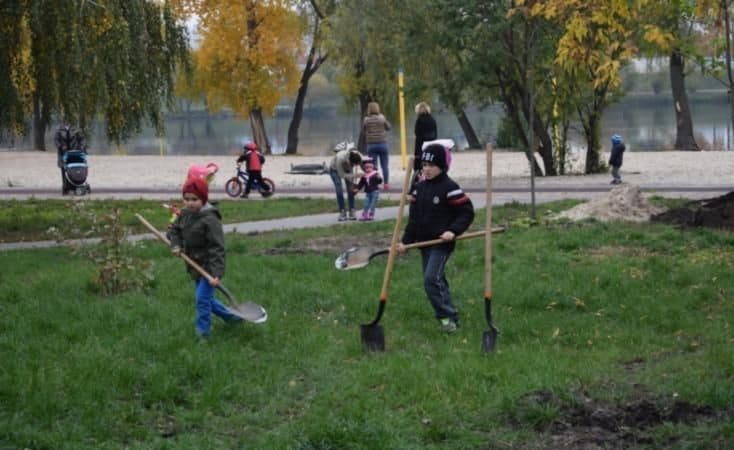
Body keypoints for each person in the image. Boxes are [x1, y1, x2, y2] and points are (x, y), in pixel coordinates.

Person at [396, 143, 474, 333]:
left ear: (442, 166)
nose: (427, 169)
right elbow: (414, 220)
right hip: (425, 244)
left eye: (431, 165)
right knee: (437, 280)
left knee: (431, 279)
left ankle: (447, 317)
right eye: (424, 165)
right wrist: (405, 242)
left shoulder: (450, 187)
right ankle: (450, 315)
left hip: (441, 243)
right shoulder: (419, 189)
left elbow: (466, 212)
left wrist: (453, 231)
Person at [169, 177, 243, 338]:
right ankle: (232, 318)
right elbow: (174, 231)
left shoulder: (211, 220)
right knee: (206, 299)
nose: (189, 203)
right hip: (195, 265)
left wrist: (216, 273)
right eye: (186, 199)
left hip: (208, 266)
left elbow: (217, 248)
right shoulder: (185, 214)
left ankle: (203, 334)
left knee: (202, 300)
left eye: (194, 199)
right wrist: (176, 245)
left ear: (203, 198)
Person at [362, 102, 392, 190]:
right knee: (385, 166)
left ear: (369, 110)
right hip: (383, 144)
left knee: (373, 166)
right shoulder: (382, 118)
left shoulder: (366, 120)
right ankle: (386, 184)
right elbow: (388, 127)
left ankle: (375, 184)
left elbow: (363, 131)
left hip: (371, 145)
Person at [329, 146, 362, 221]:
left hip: (347, 169)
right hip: (335, 170)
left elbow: (362, 164)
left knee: (351, 190)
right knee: (339, 189)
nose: (354, 166)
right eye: (353, 164)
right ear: (350, 161)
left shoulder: (357, 155)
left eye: (355, 165)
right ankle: (342, 212)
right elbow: (341, 175)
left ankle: (352, 210)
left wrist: (367, 173)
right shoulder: (340, 158)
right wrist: (355, 175)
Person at [413, 102, 437, 177]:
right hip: (432, 145)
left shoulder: (419, 120)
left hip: (421, 145)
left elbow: (417, 134)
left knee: (420, 165)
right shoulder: (432, 119)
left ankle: (420, 178)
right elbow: (435, 133)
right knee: (430, 162)